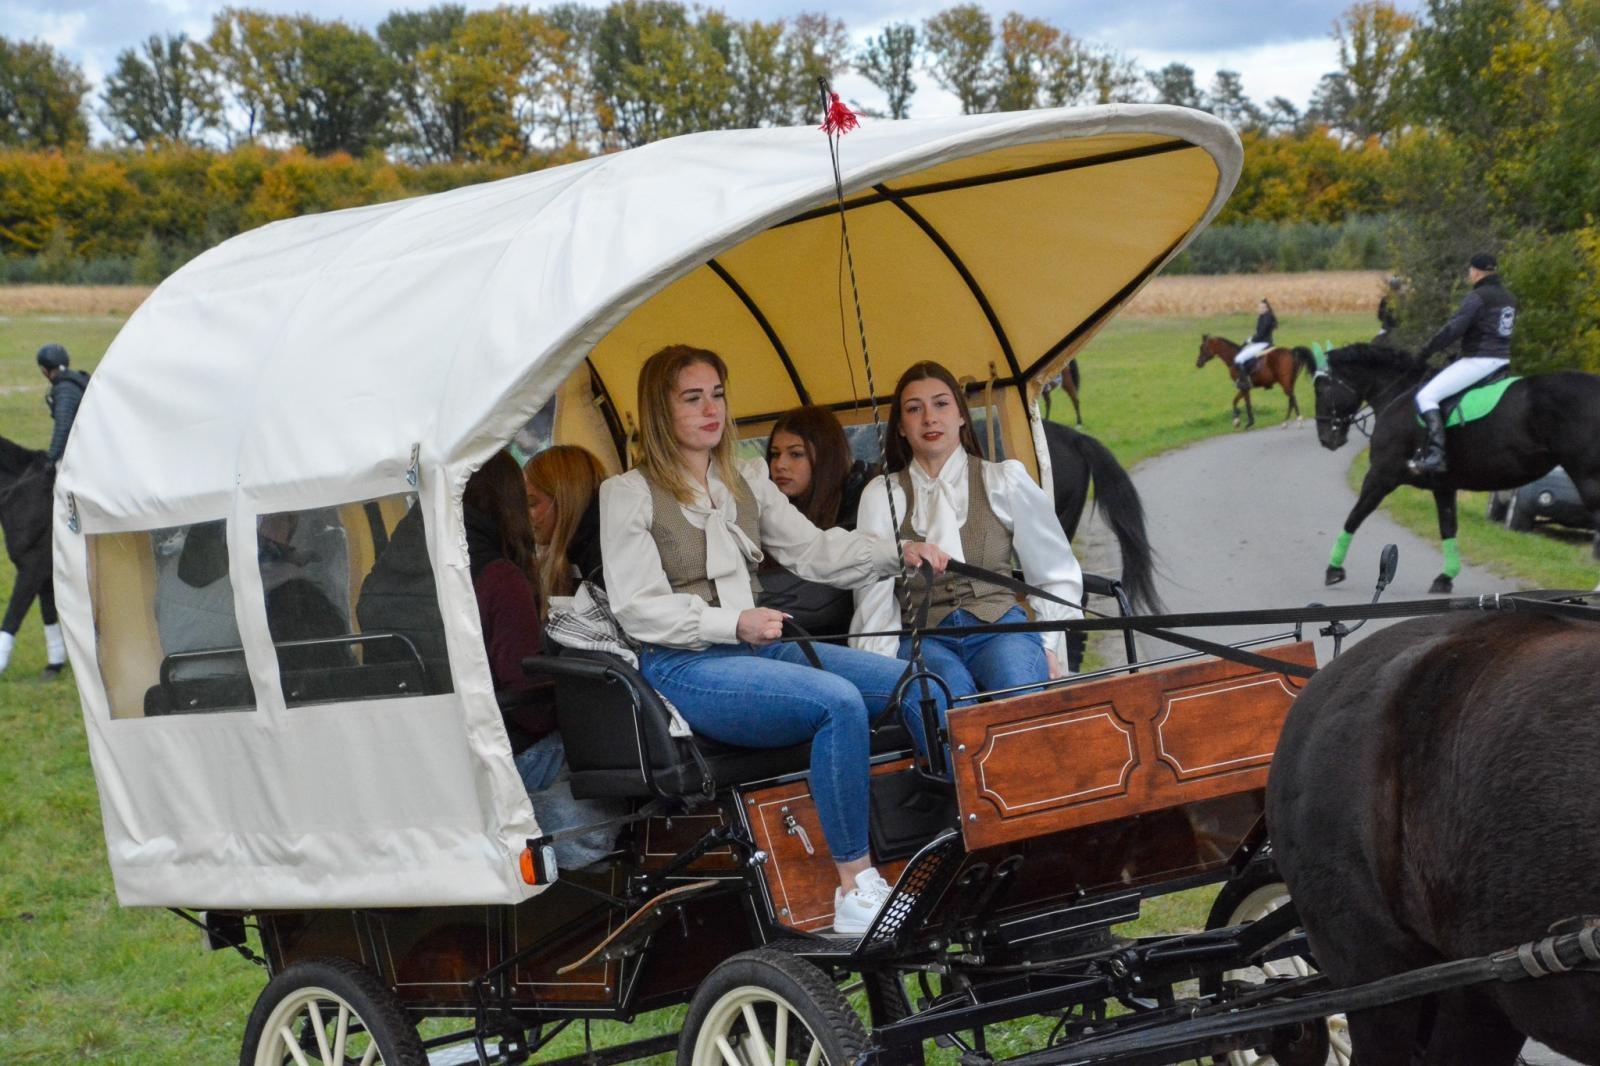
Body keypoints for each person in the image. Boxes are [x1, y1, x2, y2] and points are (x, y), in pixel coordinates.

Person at [600, 344, 950, 935]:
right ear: (661, 411)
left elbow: (815, 550)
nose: (712, 409)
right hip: (686, 666)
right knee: (834, 704)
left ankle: (943, 847)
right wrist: (730, 623)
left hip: (759, 648)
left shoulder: (747, 482)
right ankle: (854, 886)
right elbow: (638, 610)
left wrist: (896, 553)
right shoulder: (629, 494)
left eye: (717, 394)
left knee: (917, 685)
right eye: (693, 398)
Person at [852, 360, 1084, 705]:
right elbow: (873, 598)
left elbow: (1055, 573)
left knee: (1015, 686)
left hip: (1001, 628)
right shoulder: (883, 495)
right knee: (950, 698)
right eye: (914, 409)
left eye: (941, 404)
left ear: (962, 415)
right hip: (926, 639)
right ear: (901, 427)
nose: (930, 417)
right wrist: (883, 670)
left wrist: (1049, 644)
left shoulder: (1003, 480)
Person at [465, 450, 620, 870]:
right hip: (512, 747)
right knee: (611, 745)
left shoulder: (432, 571)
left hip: (457, 748)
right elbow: (527, 699)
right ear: (505, 505)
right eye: (525, 502)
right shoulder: (500, 577)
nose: (529, 517)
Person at [760, 406, 872, 639]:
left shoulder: (861, 505)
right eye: (774, 454)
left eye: (796, 454)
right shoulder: (760, 510)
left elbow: (827, 591)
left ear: (826, 456)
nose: (780, 464)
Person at [1407, 252, 1516, 476]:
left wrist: (1425, 351)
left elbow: (1453, 329)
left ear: (1475, 272)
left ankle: (1437, 456)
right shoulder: (1508, 297)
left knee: (1426, 396)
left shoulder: (1477, 298)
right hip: (1502, 359)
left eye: (1470, 271)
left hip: (1479, 360)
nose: (1469, 274)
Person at [523, 444, 608, 604]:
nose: (523, 515)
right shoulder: (572, 553)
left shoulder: (604, 561)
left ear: (565, 501)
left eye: (531, 504)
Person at [36, 344, 89, 467]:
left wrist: (51, 459)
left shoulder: (65, 390)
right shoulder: (78, 379)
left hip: (85, 449)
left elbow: (63, 426)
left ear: (45, 370)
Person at [1231, 298, 1277, 391]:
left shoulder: (1266, 318)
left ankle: (1244, 382)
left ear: (1267, 308)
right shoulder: (1263, 317)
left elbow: (1260, 334)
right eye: (1259, 307)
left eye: (1262, 307)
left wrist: (1250, 340)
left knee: (1239, 358)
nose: (1260, 309)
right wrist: (1250, 339)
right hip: (1260, 342)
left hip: (1263, 343)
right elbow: (1258, 333)